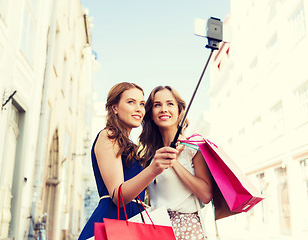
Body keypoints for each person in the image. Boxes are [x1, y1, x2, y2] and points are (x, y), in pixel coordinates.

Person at [78, 82, 179, 240]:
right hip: (113, 221)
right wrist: (153, 169)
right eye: (131, 102)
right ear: (115, 107)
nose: (139, 108)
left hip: (133, 221)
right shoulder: (108, 136)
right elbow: (117, 196)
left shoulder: (130, 146)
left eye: (142, 104)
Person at [138, 86, 213, 240]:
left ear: (179, 111)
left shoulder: (192, 148)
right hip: (157, 229)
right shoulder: (150, 157)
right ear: (151, 114)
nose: (164, 109)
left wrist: (174, 163)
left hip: (187, 229)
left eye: (170, 104)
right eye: (157, 105)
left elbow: (206, 195)